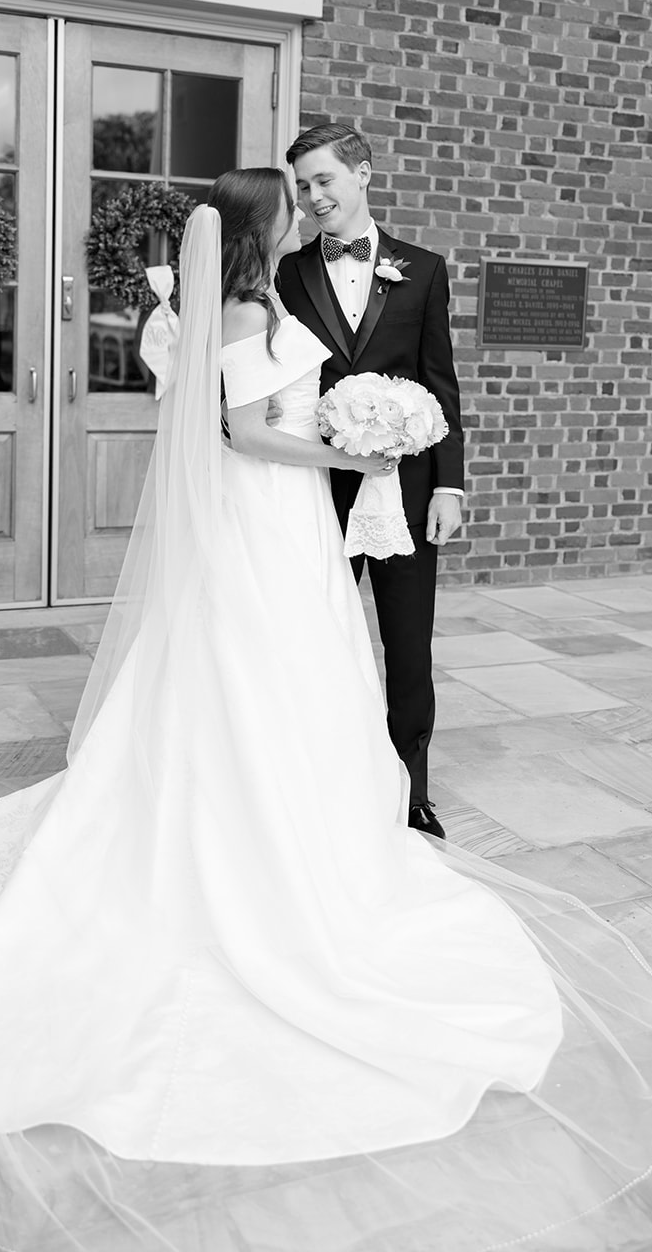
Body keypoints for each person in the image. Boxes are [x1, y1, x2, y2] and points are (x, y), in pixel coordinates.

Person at [0, 168, 652, 1252]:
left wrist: (376, 438)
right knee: (257, 661)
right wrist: (348, 449)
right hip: (267, 506)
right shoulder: (243, 310)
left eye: (310, 187)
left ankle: (312, 810)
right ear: (260, 224)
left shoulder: (265, 296)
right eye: (288, 197)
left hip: (292, 521)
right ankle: (250, 826)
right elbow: (242, 432)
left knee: (307, 662)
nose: (302, 205)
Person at [278, 123, 462, 838]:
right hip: (317, 489)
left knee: (409, 646)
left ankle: (411, 791)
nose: (312, 197)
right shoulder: (287, 273)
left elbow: (441, 383)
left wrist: (448, 486)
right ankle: (319, 780)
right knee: (316, 637)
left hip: (405, 492)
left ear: (363, 174)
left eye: (323, 180)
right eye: (302, 187)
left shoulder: (425, 268)